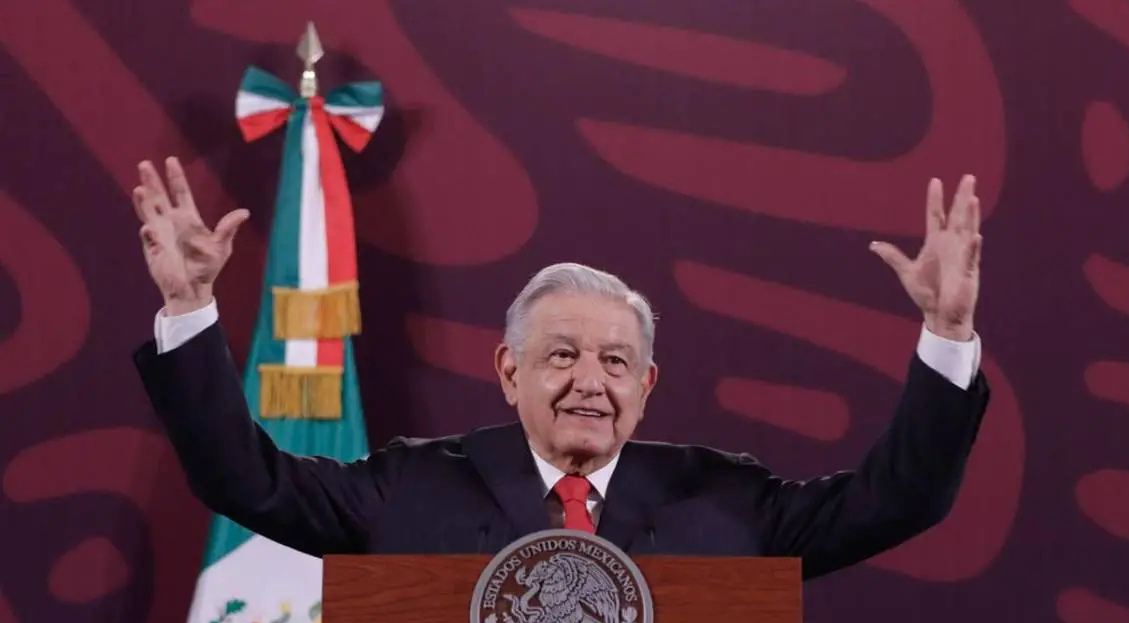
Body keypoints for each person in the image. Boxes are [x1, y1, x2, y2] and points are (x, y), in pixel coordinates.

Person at [131, 157, 989, 580]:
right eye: (563, 356)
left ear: (645, 387)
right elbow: (244, 480)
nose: (591, 381)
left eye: (617, 362)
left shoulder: (727, 500)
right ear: (510, 373)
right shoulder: (410, 489)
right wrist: (190, 306)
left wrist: (947, 333)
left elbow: (898, 500)